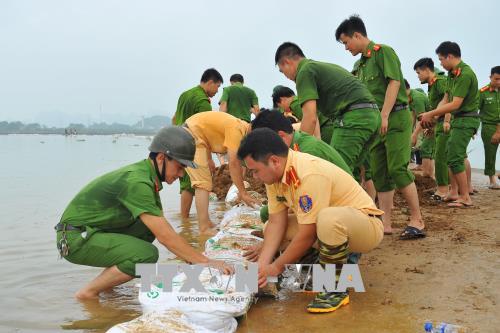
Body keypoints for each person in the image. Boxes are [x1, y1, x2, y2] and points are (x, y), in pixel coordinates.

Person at [56, 127, 232, 300]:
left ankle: (107, 288)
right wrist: (205, 262)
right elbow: (165, 236)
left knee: (146, 230)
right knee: (147, 255)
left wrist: (190, 257)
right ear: (162, 157)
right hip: (75, 238)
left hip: (89, 232)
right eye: (179, 167)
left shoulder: (147, 177)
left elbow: (162, 228)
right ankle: (87, 293)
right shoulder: (138, 182)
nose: (181, 174)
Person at [237, 128, 384, 313]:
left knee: (327, 218)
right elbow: (276, 223)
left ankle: (334, 289)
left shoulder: (307, 173)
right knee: (269, 227)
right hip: (332, 227)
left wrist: (276, 267)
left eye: (255, 171)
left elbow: (308, 234)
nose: (254, 177)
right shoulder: (275, 177)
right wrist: (262, 267)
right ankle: (312, 275)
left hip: (366, 225)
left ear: (274, 161)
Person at [335, 15, 424, 239]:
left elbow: (394, 82)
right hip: (376, 122)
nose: (346, 48)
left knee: (398, 168)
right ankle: (386, 223)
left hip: (395, 118)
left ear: (357, 35)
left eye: (346, 42)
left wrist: (384, 115)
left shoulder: (383, 52)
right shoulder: (358, 65)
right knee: (380, 174)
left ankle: (417, 220)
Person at [274, 42, 381, 176]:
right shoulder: (319, 66)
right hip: (373, 116)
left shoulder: (304, 72)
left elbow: (310, 117)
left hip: (353, 118)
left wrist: (298, 152)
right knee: (350, 173)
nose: (286, 76)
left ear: (286, 62)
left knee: (334, 172)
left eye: (282, 71)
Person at [249, 109, 352, 224]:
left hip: (339, 209)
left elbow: (313, 197)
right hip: (319, 201)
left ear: (280, 136)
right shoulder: (292, 146)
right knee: (268, 214)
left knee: (274, 218)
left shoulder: (308, 150)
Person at [420, 41, 481, 207]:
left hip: (466, 119)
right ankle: (454, 192)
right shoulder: (452, 75)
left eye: (441, 59)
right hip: (457, 119)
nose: (440, 63)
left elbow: (455, 104)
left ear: (450, 56)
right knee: (449, 154)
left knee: (455, 157)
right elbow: (445, 99)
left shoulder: (465, 74)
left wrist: (431, 113)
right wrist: (432, 117)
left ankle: (465, 197)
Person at [183, 111, 260, 234]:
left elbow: (204, 130)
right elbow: (233, 163)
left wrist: (208, 158)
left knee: (204, 183)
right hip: (190, 137)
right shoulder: (237, 129)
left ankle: (206, 222)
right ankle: (204, 228)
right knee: (202, 184)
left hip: (197, 136)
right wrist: (243, 192)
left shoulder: (241, 127)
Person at [172, 68, 223, 219]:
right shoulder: (203, 102)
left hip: (177, 141)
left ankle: (184, 220)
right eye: (217, 86)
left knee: (184, 181)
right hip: (192, 146)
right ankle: (185, 220)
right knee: (192, 183)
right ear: (210, 82)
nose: (217, 91)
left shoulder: (185, 94)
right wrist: (209, 159)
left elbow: (174, 119)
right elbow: (205, 135)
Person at [414, 58, 451, 199]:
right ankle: (445, 187)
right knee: (440, 155)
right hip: (439, 122)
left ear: (426, 69)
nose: (418, 76)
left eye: (418, 73)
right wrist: (433, 124)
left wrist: (447, 120)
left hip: (445, 122)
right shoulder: (432, 85)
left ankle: (443, 190)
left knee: (441, 157)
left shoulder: (440, 82)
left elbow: (449, 100)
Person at [405, 80, 435, 179]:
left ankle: (428, 176)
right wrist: (410, 132)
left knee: (426, 149)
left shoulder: (417, 98)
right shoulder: (410, 97)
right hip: (429, 123)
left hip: (433, 123)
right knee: (427, 149)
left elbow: (422, 119)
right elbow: (414, 115)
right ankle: (429, 175)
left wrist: (414, 135)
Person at [479, 66, 500, 189]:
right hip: (489, 127)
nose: (499, 82)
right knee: (490, 154)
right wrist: (473, 128)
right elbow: (476, 110)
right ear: (490, 77)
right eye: (496, 79)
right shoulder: (483, 92)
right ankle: (492, 180)